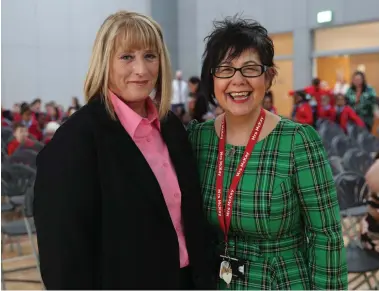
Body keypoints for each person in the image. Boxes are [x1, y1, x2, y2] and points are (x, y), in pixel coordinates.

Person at [34, 10, 214, 290]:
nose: (141, 69)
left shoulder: (172, 128)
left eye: (150, 56)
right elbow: (63, 257)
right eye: (127, 57)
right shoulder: (76, 140)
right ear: (104, 63)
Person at [188, 16, 347, 290]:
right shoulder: (198, 139)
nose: (238, 81)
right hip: (219, 280)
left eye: (250, 69)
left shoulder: (297, 141)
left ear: (269, 76)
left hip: (280, 281)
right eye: (225, 69)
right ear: (212, 78)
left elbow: (326, 237)